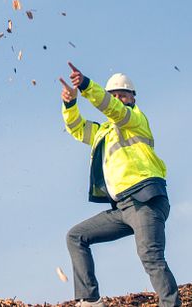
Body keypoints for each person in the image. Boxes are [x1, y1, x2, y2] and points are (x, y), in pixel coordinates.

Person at [59, 62, 180, 307]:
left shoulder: (134, 118)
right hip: (122, 207)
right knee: (76, 236)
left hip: (144, 199)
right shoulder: (104, 131)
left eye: (122, 94)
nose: (117, 98)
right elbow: (77, 129)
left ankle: (170, 304)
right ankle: (90, 301)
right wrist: (70, 104)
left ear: (132, 98)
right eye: (114, 94)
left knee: (150, 256)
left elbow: (111, 108)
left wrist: (85, 85)